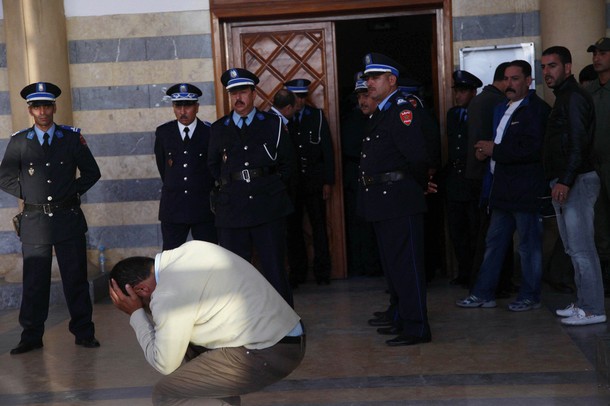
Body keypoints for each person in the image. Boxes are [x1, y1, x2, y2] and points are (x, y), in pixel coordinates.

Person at [108, 240, 305, 405]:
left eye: (143, 303)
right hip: (288, 335)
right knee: (191, 351)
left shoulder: (168, 294)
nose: (149, 308)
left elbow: (165, 363)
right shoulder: (192, 249)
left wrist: (136, 314)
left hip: (269, 350)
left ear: (141, 290)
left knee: (167, 393)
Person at [0, 82, 101, 354]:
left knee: (75, 279)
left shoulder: (71, 138)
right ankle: (31, 336)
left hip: (68, 218)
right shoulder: (20, 141)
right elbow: (5, 178)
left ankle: (84, 332)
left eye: (47, 106)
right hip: (35, 222)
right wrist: (29, 194)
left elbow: (92, 172)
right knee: (35, 283)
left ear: (54, 107)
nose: (43, 112)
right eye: (37, 107)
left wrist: (71, 191)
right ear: (30, 111)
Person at [456, 60, 551, 311]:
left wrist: (495, 150)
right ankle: (483, 293)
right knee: (494, 243)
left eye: (515, 79)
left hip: (525, 190)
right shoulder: (501, 108)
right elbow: (500, 143)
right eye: (506, 79)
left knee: (528, 247)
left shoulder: (536, 110)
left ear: (528, 81)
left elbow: (532, 149)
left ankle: (530, 296)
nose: (509, 84)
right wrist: (485, 152)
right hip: (500, 190)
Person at [358, 52, 431, 346]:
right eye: (367, 78)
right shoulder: (383, 112)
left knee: (407, 266)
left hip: (399, 198)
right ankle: (401, 316)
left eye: (375, 78)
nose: (369, 83)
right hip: (384, 201)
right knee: (394, 266)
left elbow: (417, 156)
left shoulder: (402, 110)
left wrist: (418, 185)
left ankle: (417, 327)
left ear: (391, 80)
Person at [208, 68, 295, 306]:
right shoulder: (219, 128)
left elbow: (288, 164)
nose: (238, 97)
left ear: (254, 93)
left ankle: (286, 321)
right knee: (236, 273)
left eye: (243, 92)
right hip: (232, 209)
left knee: (275, 269)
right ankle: (242, 321)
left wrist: (270, 187)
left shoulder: (273, 124)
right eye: (233, 93)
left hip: (268, 207)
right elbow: (213, 166)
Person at [541, 45, 606, 326]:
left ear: (567, 67)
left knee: (582, 248)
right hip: (567, 179)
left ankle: (592, 308)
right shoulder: (564, 97)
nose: (547, 72)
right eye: (543, 67)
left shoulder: (574, 97)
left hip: (576, 180)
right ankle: (584, 302)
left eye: (552, 65)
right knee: (572, 248)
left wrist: (566, 180)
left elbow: (579, 143)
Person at [465, 62, 516, 296]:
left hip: (477, 175)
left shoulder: (479, 100)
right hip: (489, 176)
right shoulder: (497, 102)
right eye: (510, 79)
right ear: (504, 80)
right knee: (494, 234)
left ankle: (485, 283)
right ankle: (494, 284)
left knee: (485, 233)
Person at [284, 78, 335, 286]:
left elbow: (327, 150)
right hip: (292, 185)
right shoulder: (282, 119)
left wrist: (328, 181)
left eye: (303, 96)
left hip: (314, 181)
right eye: (296, 96)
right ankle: (298, 272)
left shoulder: (316, 116)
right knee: (293, 229)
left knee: (319, 227)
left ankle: (323, 272)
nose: (300, 100)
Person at [154, 83, 216, 250]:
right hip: (173, 207)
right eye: (178, 106)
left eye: (187, 106)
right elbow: (163, 168)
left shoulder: (210, 132)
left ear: (197, 107)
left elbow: (214, 168)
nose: (182, 111)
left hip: (203, 208)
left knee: (208, 255)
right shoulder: (164, 133)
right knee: (172, 257)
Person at [442, 70, 482, 287]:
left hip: (472, 178)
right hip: (455, 179)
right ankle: (464, 272)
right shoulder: (452, 114)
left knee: (475, 229)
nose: (458, 96)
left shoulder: (479, 112)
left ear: (473, 92)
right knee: (458, 231)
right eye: (456, 91)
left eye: (463, 91)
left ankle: (476, 274)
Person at [340, 75, 382, 278]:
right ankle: (361, 265)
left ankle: (378, 266)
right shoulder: (351, 120)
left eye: (366, 95)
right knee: (358, 224)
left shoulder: (383, 118)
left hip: (379, 180)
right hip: (355, 178)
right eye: (359, 97)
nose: (362, 101)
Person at [586, 38, 610, 295]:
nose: (597, 58)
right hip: (594, 164)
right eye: (595, 53)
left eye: (603, 53)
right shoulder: (590, 91)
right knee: (599, 221)